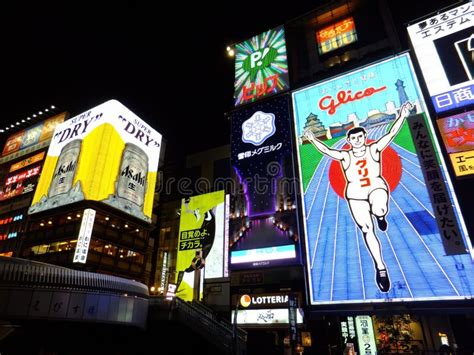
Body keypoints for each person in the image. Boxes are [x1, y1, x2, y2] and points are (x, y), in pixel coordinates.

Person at [304, 101, 414, 292]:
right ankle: (380, 267)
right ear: (349, 141)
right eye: (353, 138)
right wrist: (313, 140)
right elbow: (327, 151)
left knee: (380, 208)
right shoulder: (346, 156)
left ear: (365, 137)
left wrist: (403, 115)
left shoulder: (374, 149)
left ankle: (380, 216)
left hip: (376, 187)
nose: (357, 140)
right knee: (366, 228)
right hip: (356, 195)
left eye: (359, 136)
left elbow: (391, 134)